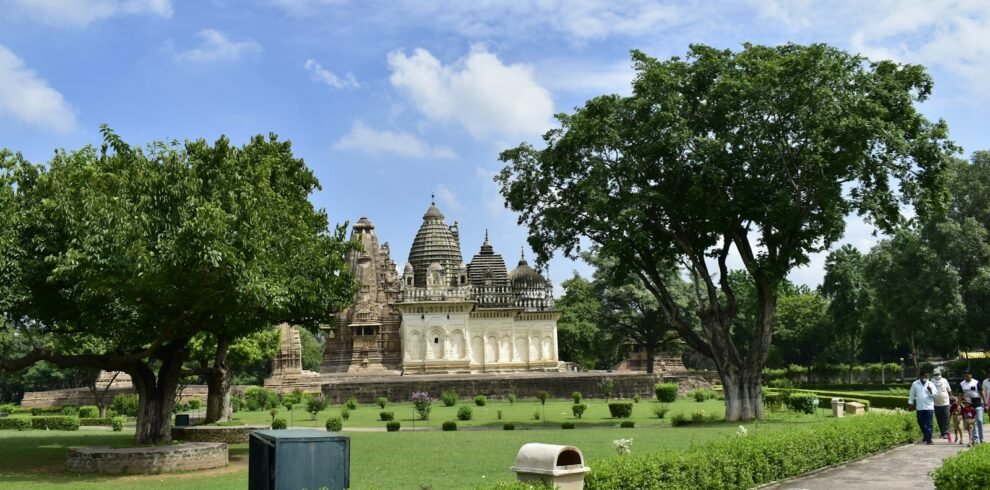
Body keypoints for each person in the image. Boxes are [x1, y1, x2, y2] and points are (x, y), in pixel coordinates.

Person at [908, 371, 936, 444]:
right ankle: (926, 435)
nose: (926, 378)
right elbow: (912, 394)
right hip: (920, 407)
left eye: (927, 377)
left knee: (929, 423)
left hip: (929, 407)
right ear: (921, 376)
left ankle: (929, 439)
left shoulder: (931, 384)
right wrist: (910, 403)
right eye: (925, 377)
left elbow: (935, 395)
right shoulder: (915, 384)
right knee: (921, 423)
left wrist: (930, 391)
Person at [960, 369, 984, 444]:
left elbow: (981, 392)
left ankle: (982, 439)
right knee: (971, 422)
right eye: (964, 376)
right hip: (968, 405)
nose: (966, 377)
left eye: (967, 376)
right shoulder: (962, 384)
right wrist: (959, 403)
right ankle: (975, 439)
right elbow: (960, 394)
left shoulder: (976, 382)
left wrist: (985, 402)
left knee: (979, 421)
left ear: (971, 375)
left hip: (977, 403)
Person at [931, 368, 952, 441]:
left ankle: (946, 432)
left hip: (945, 402)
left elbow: (949, 390)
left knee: (946, 418)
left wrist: (951, 398)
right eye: (935, 375)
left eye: (938, 374)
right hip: (936, 403)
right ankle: (942, 432)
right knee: (939, 418)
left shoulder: (944, 380)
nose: (937, 376)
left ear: (940, 374)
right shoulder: (931, 381)